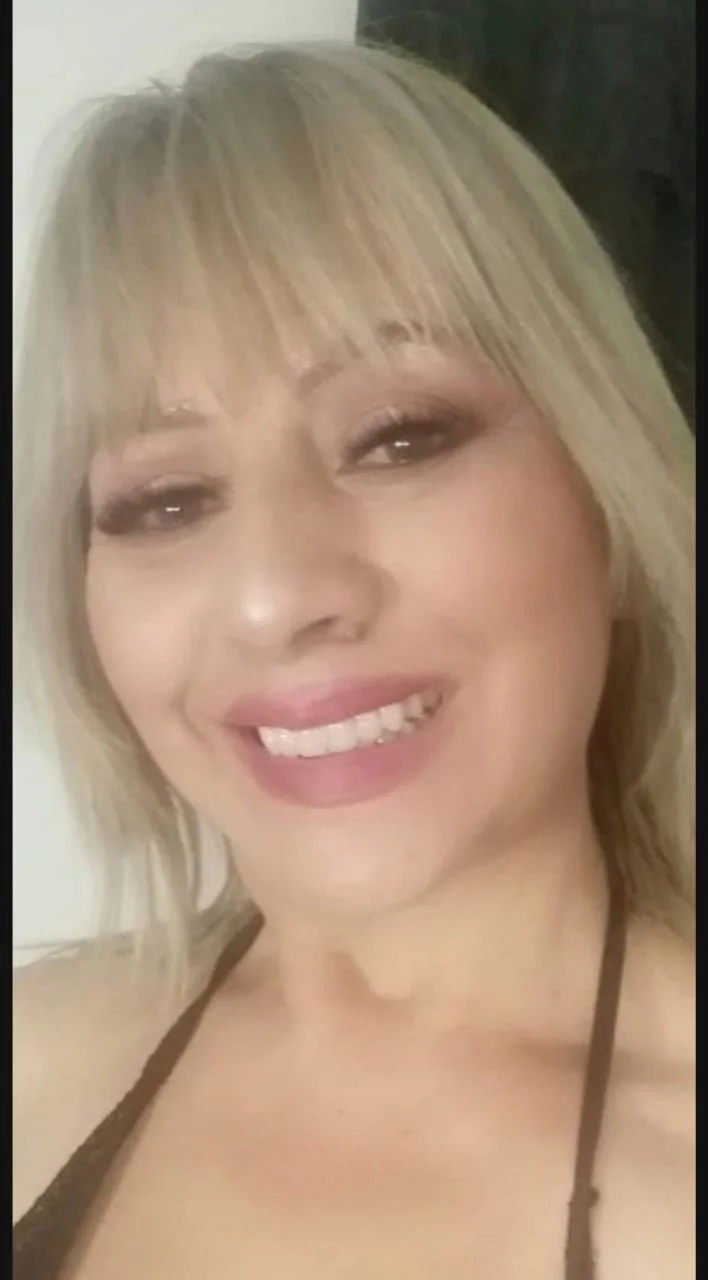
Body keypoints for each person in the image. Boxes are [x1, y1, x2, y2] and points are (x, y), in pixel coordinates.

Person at [12, 41, 694, 1280]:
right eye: (165, 501)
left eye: (398, 436)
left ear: (607, 497)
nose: (276, 596)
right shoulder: (31, 1067)